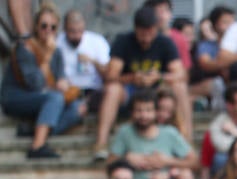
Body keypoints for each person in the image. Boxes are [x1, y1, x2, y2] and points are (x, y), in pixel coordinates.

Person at [92, 5, 191, 159]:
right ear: (135, 29)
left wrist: (159, 77)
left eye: (150, 33)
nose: (146, 39)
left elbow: (181, 74)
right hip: (130, 91)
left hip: (157, 91)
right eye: (142, 34)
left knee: (180, 87)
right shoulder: (123, 41)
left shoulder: (165, 42)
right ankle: (101, 142)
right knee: (112, 89)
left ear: (156, 29)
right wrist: (133, 78)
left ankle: (186, 140)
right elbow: (111, 75)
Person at [0, 3, 84, 159]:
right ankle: (37, 146)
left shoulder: (57, 52)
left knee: (78, 107)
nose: (48, 31)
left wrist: (63, 83)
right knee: (55, 98)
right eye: (44, 26)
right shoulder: (25, 48)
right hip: (15, 98)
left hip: (42, 99)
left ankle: (32, 131)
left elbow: (60, 77)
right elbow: (35, 84)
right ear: (36, 27)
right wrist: (47, 56)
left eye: (52, 27)